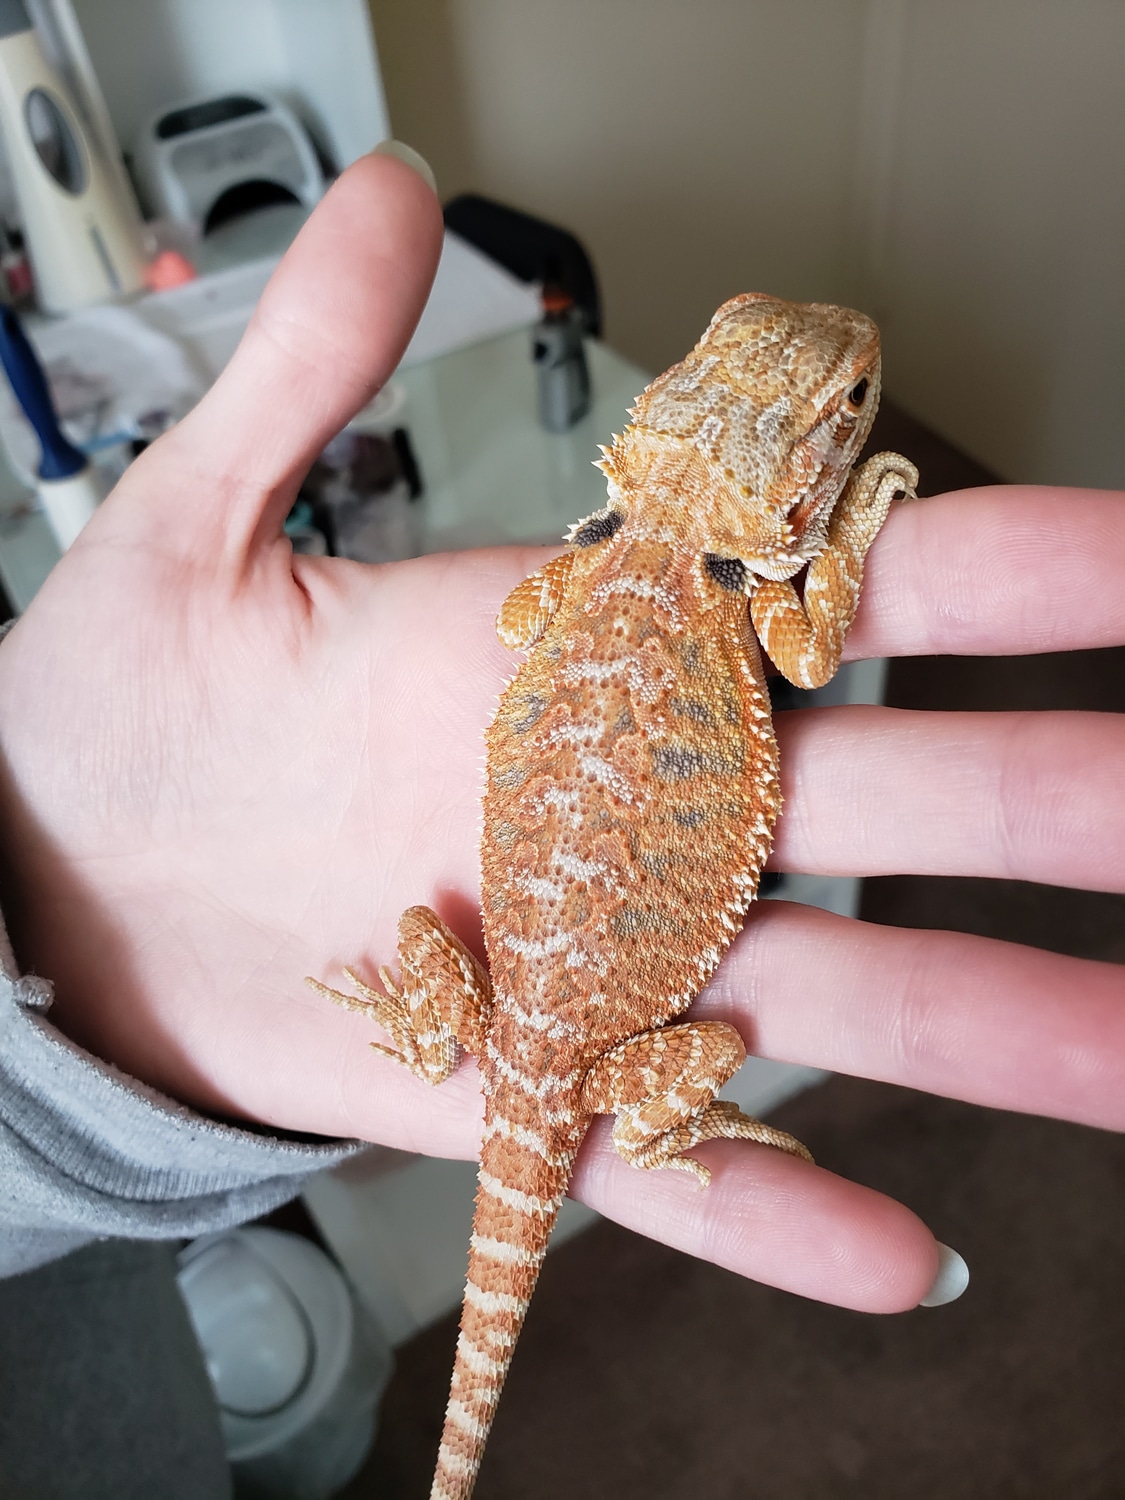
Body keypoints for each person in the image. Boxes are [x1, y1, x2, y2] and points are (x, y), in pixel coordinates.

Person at [0, 148, 1121, 1494]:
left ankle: (583, 1103)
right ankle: (632, 1132)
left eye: (848, 410)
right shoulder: (755, 598)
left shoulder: (577, 577)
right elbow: (813, 649)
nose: (858, 410)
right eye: (851, 418)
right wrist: (863, 513)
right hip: (538, 1023)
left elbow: (537, 622)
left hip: (527, 1004)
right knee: (647, 1019)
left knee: (652, 1023)